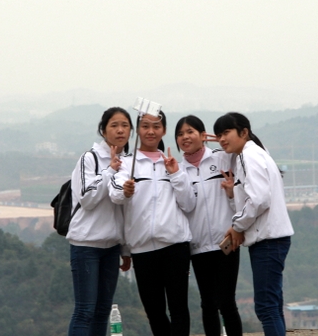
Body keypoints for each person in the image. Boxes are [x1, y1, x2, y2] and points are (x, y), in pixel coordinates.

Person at [110, 110, 196, 336]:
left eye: (156, 126)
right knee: (154, 311)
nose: (151, 131)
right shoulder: (127, 165)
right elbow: (116, 196)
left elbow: (188, 204)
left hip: (175, 245)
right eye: (145, 126)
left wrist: (175, 174)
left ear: (164, 130)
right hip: (142, 248)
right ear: (137, 130)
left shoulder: (175, 164)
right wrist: (125, 191)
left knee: (179, 308)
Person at [213, 112, 294, 336]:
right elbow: (253, 198)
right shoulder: (256, 153)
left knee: (266, 307)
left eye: (226, 132)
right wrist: (233, 193)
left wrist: (237, 226)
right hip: (272, 238)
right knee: (273, 305)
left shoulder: (248, 156)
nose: (221, 139)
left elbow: (259, 200)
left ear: (244, 132)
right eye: (218, 135)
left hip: (267, 240)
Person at [67, 107, 133, 336]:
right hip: (86, 244)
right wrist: (109, 171)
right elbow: (86, 199)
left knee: (103, 310)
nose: (120, 130)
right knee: (85, 310)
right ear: (103, 131)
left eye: (125, 125)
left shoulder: (129, 162)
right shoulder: (90, 159)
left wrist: (125, 249)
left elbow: (125, 211)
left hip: (111, 246)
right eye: (114, 125)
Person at [175, 115, 243, 336]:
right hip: (198, 246)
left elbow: (252, 154)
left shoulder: (223, 158)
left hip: (227, 242)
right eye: (180, 134)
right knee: (208, 303)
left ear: (203, 135)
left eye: (190, 132)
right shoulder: (177, 170)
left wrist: (233, 193)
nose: (185, 137)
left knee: (227, 302)